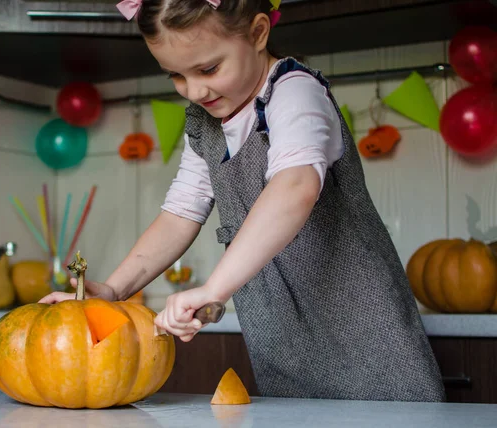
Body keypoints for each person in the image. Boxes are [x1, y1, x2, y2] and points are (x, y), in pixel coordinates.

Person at [39, 0, 446, 402]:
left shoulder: (294, 91)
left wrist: (215, 287)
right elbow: (180, 213)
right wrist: (112, 289)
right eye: (175, 76)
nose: (194, 90)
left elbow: (295, 187)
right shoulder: (205, 123)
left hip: (365, 333)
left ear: (257, 34)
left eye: (208, 69)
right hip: (281, 341)